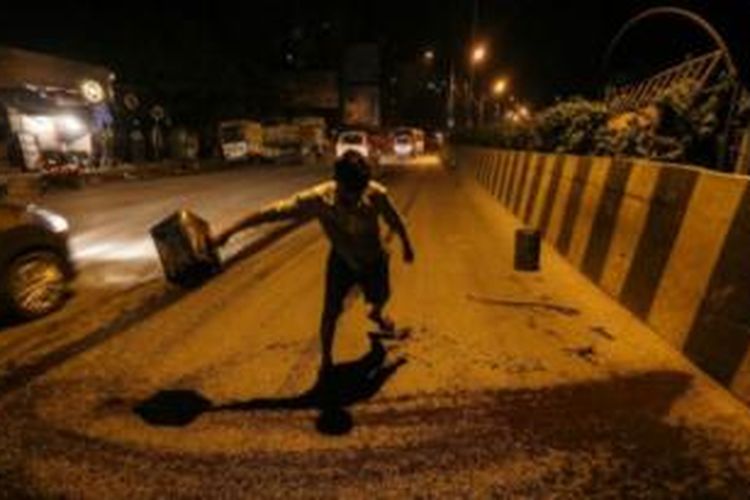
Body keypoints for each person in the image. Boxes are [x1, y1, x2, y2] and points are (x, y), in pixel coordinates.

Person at [213, 151, 415, 375]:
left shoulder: (377, 194)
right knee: (330, 311)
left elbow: (395, 220)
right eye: (350, 194)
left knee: (381, 296)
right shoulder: (319, 199)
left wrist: (407, 245)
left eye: (360, 192)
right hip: (343, 260)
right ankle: (326, 361)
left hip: (374, 259)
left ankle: (376, 313)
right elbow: (271, 212)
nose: (356, 199)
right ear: (337, 184)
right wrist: (229, 231)